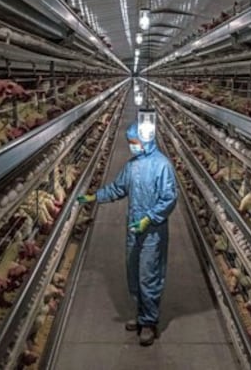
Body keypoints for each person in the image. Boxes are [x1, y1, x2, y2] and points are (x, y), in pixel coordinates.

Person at [77, 122, 177, 346]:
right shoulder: (132, 166)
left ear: (146, 141)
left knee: (148, 276)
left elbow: (169, 198)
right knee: (133, 273)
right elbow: (118, 188)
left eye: (134, 143)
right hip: (134, 229)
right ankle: (141, 315)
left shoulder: (162, 166)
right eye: (130, 143)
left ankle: (149, 322)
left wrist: (148, 218)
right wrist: (96, 197)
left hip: (153, 232)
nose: (132, 146)